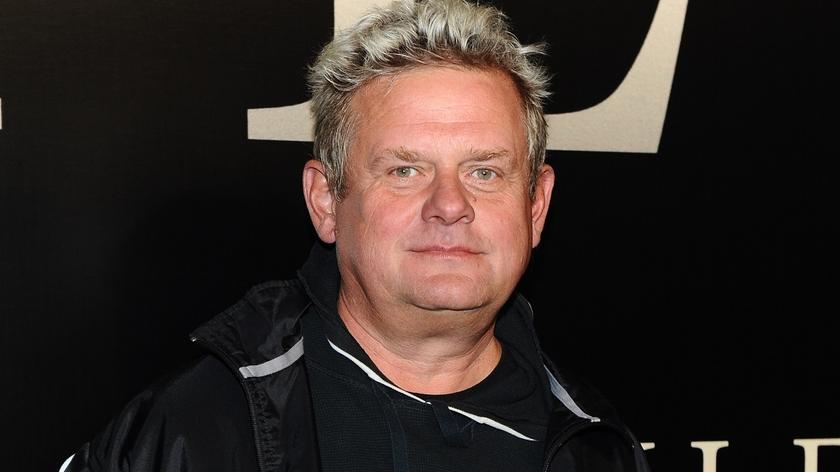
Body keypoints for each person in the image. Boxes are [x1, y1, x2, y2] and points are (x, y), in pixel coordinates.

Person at [62, 0, 651, 471]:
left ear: (536, 207)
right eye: (405, 170)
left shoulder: (596, 446)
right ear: (326, 200)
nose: (450, 206)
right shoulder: (193, 431)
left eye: (484, 172)